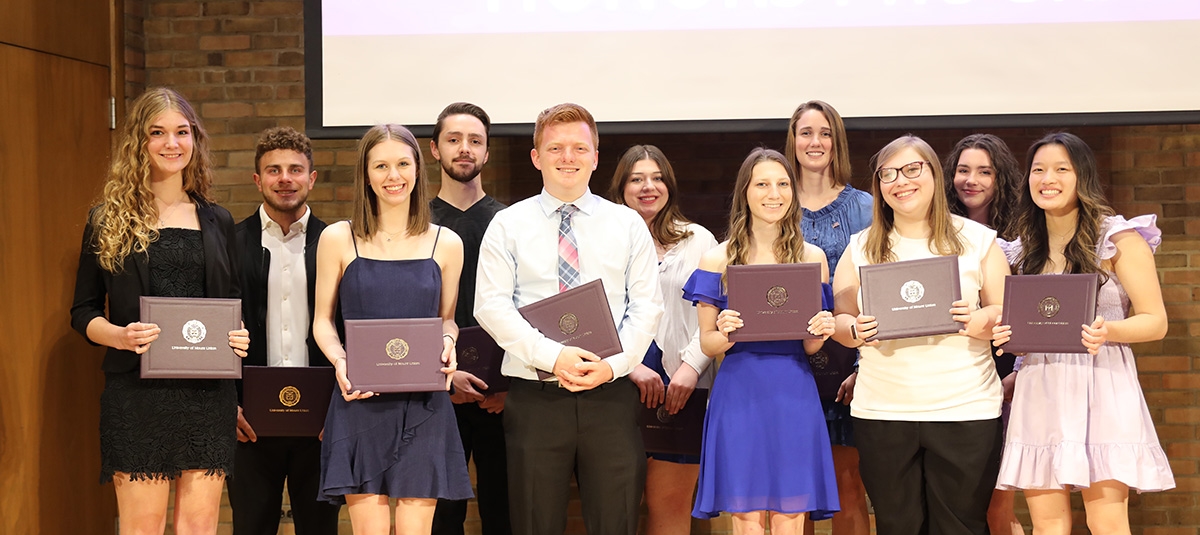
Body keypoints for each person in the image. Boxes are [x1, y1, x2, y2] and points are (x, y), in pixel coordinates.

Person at [474, 103, 663, 535]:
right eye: (555, 147)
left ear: (596, 157)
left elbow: (647, 306)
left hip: (611, 395)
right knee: (533, 522)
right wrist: (553, 356)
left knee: (615, 522)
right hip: (535, 396)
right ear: (536, 157)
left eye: (580, 147)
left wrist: (613, 366)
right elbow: (491, 306)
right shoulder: (508, 224)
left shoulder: (627, 224)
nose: (568, 157)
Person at [69, 86, 250, 535]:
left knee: (199, 526)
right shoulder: (106, 219)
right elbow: (83, 311)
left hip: (207, 396)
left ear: (195, 139)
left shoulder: (218, 219)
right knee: (142, 527)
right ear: (139, 142)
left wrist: (239, 335)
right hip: (136, 392)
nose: (172, 143)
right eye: (158, 133)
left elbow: (229, 304)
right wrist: (119, 336)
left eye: (182, 132)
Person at [992, 132, 1174, 535]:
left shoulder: (1117, 238)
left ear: (1082, 176)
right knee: (1047, 524)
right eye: (1038, 169)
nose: (1046, 178)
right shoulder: (1022, 250)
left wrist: (1107, 330)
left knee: (1107, 521)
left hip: (1103, 381)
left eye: (1061, 169)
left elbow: (1155, 320)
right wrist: (1011, 339)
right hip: (1040, 384)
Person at [831, 135, 1008, 535]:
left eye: (913, 169)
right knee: (898, 525)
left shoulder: (977, 241)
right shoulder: (861, 247)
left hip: (965, 407)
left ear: (933, 174)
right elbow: (840, 321)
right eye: (888, 174)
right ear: (878, 185)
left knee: (960, 526)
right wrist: (857, 329)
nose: (901, 181)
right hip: (884, 410)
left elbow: (1003, 312)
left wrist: (982, 318)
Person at [311, 124, 472, 535]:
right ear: (366, 174)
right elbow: (322, 323)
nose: (393, 175)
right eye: (380, 165)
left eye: (402, 164)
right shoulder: (337, 238)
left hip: (425, 403)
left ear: (419, 169)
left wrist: (450, 342)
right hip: (360, 398)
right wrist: (340, 360)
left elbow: (447, 319)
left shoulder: (447, 242)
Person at [686, 148, 839, 535]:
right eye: (763, 184)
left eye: (783, 184)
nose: (775, 194)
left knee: (792, 513)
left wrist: (820, 330)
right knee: (745, 516)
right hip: (739, 392)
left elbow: (810, 347)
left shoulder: (812, 257)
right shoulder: (716, 259)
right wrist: (725, 331)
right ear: (746, 193)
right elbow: (708, 344)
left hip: (794, 391)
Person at [229, 126, 340, 535]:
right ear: (258, 180)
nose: (285, 178)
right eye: (273, 170)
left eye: (295, 169)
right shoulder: (229, 243)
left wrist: (342, 409)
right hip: (249, 424)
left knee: (320, 528)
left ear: (312, 178)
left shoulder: (339, 243)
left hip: (323, 421)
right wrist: (229, 405)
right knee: (251, 527)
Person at [607, 145, 718, 535]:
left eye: (656, 178)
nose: (647, 187)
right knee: (613, 507)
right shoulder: (603, 242)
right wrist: (631, 366)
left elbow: (715, 314)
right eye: (636, 179)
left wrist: (691, 369)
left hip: (684, 385)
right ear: (620, 187)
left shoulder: (699, 241)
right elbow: (594, 316)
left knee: (669, 505)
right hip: (616, 384)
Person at [783, 100, 872, 535]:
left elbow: (880, 293)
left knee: (847, 484)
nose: (815, 142)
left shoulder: (865, 209)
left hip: (850, 367)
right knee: (792, 493)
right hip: (789, 366)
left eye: (824, 133)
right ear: (793, 140)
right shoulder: (772, 202)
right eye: (805, 132)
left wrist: (863, 364)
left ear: (837, 142)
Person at [427, 103, 512, 535]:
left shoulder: (511, 222)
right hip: (436, 392)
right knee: (442, 516)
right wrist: (446, 376)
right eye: (454, 139)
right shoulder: (416, 223)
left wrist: (509, 384)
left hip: (504, 393)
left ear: (487, 153)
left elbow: (527, 306)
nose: (465, 149)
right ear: (434, 150)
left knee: (505, 511)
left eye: (475, 141)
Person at [941, 133, 1025, 535]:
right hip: (950, 377)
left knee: (997, 504)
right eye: (962, 170)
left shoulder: (1024, 235)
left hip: (1007, 373)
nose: (971, 180)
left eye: (984, 172)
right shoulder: (935, 233)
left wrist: (1021, 373)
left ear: (1001, 178)